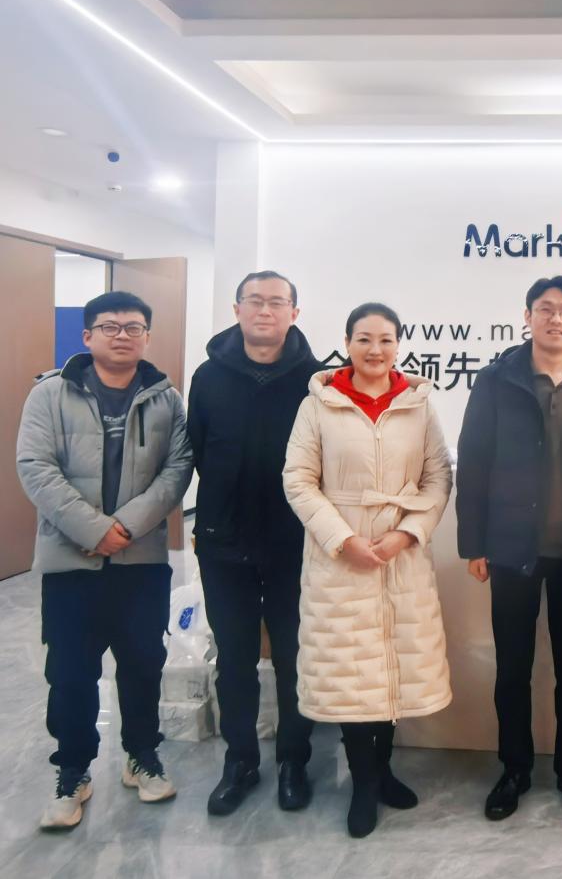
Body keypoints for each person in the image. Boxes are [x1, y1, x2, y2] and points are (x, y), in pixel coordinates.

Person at [17, 291, 192, 830]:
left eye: (134, 327)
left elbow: (177, 470)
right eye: (110, 326)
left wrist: (126, 528)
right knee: (70, 673)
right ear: (87, 335)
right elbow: (35, 467)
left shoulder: (166, 399)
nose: (122, 336)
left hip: (141, 563)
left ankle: (142, 756)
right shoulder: (50, 394)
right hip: (71, 562)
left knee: (143, 665)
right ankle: (73, 772)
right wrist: (95, 531)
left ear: (147, 337)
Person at [282, 302, 453, 838]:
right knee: (352, 676)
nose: (375, 350)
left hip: (401, 555)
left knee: (392, 670)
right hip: (340, 559)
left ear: (398, 345)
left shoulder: (418, 404)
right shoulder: (319, 404)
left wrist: (407, 533)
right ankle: (363, 783)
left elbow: (438, 478)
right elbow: (298, 480)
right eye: (364, 339)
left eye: (385, 339)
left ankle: (383, 772)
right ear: (347, 344)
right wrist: (343, 540)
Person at [456, 276, 562, 822]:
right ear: (526, 317)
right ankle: (515, 769)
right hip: (511, 547)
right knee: (512, 669)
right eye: (545, 309)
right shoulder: (496, 380)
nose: (556, 319)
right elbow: (473, 461)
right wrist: (473, 542)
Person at [188, 270, 321, 815]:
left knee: (294, 655)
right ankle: (240, 761)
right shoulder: (208, 376)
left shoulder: (317, 379)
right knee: (236, 658)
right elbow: (199, 448)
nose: (265, 310)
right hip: (224, 539)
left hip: (295, 540)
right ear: (237, 309)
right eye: (255, 301)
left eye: (277, 302)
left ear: (294, 312)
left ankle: (293, 760)